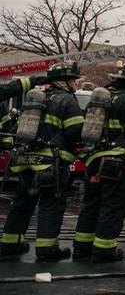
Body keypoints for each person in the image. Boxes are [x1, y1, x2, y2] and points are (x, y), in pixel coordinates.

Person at [0, 62, 83, 262]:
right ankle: (47, 248)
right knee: (50, 205)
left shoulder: (36, 98)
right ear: (64, 81)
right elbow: (75, 131)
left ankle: (10, 243)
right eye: (73, 80)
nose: (75, 84)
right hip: (51, 163)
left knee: (22, 202)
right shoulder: (67, 100)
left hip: (25, 160)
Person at [72, 63, 125, 262]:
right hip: (116, 163)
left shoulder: (98, 99)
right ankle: (104, 250)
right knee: (112, 206)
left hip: (93, 160)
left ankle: (81, 247)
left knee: (90, 205)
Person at [0, 76, 45, 152]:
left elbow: (6, 124)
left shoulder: (1, 106)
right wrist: (34, 80)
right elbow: (9, 89)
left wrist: (7, 146)